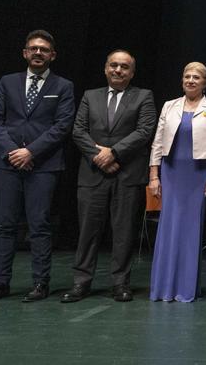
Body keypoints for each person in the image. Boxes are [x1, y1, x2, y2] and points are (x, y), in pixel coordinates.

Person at [0, 30, 75, 303]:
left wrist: (31, 151)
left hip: (43, 164)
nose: (38, 53)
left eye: (44, 49)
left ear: (52, 55)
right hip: (6, 163)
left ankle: (40, 283)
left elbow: (62, 126)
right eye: (33, 48)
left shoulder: (63, 86)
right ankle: (0, 283)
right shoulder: (7, 82)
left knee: (39, 225)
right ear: (24, 53)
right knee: (5, 225)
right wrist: (12, 152)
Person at [63, 49, 156, 303]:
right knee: (88, 232)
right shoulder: (90, 96)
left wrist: (113, 153)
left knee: (124, 232)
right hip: (93, 174)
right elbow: (78, 131)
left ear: (132, 72)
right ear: (105, 69)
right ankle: (81, 282)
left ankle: (120, 283)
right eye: (114, 65)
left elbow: (145, 130)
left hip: (127, 175)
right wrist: (99, 157)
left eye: (124, 67)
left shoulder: (143, 96)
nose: (118, 70)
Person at [147, 62, 206, 302]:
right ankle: (162, 288)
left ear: (205, 82)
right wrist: (154, 175)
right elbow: (158, 142)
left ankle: (185, 288)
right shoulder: (169, 106)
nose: (191, 80)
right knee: (167, 229)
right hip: (171, 173)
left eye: (197, 77)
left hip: (198, 174)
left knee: (191, 230)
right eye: (187, 76)